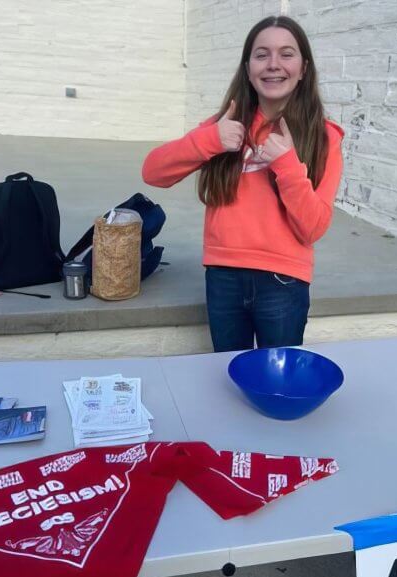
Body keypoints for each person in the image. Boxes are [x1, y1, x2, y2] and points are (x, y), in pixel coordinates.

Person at [142, 15, 344, 352]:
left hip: (283, 281)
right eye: (261, 54)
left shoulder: (324, 137)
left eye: (286, 54)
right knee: (228, 374)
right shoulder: (224, 125)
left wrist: (286, 164)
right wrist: (210, 140)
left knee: (275, 381)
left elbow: (313, 228)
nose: (273, 65)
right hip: (224, 275)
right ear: (248, 67)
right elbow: (153, 172)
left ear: (304, 67)